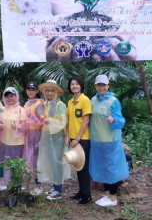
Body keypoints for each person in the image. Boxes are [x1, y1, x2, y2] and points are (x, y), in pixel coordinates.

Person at [89, 74, 129, 207]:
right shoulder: (93, 100)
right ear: (95, 86)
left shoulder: (113, 101)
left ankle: (113, 198)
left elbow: (121, 120)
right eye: (99, 85)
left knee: (111, 168)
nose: (101, 87)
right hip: (97, 140)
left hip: (110, 141)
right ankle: (107, 195)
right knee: (103, 168)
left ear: (108, 86)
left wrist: (113, 120)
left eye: (104, 85)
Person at [37, 80, 71, 200]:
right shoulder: (44, 104)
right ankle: (55, 186)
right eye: (48, 91)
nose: (50, 93)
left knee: (57, 163)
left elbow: (63, 122)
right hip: (47, 137)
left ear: (56, 92)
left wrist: (50, 121)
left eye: (52, 90)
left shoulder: (60, 105)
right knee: (50, 162)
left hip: (58, 138)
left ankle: (58, 190)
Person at [65, 77, 92, 205]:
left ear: (81, 86)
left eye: (76, 84)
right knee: (77, 166)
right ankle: (81, 191)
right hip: (72, 138)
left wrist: (77, 138)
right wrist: (67, 137)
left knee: (84, 166)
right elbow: (68, 120)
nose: (74, 86)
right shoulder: (70, 102)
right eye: (72, 84)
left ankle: (87, 195)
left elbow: (86, 121)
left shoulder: (85, 100)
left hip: (83, 138)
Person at [0, 87, 27, 191]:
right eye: (7, 96)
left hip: (17, 142)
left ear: (16, 96)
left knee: (16, 164)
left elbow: (25, 126)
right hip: (4, 141)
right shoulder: (1, 110)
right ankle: (4, 182)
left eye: (12, 96)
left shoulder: (21, 110)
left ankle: (16, 185)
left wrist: (17, 127)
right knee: (4, 163)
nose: (10, 98)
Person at [22, 81, 44, 195]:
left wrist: (33, 117)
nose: (30, 91)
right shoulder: (27, 103)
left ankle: (39, 185)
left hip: (37, 133)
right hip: (28, 133)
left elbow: (42, 119)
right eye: (28, 89)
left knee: (36, 159)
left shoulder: (39, 103)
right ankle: (33, 184)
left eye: (33, 89)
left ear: (37, 91)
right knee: (29, 158)